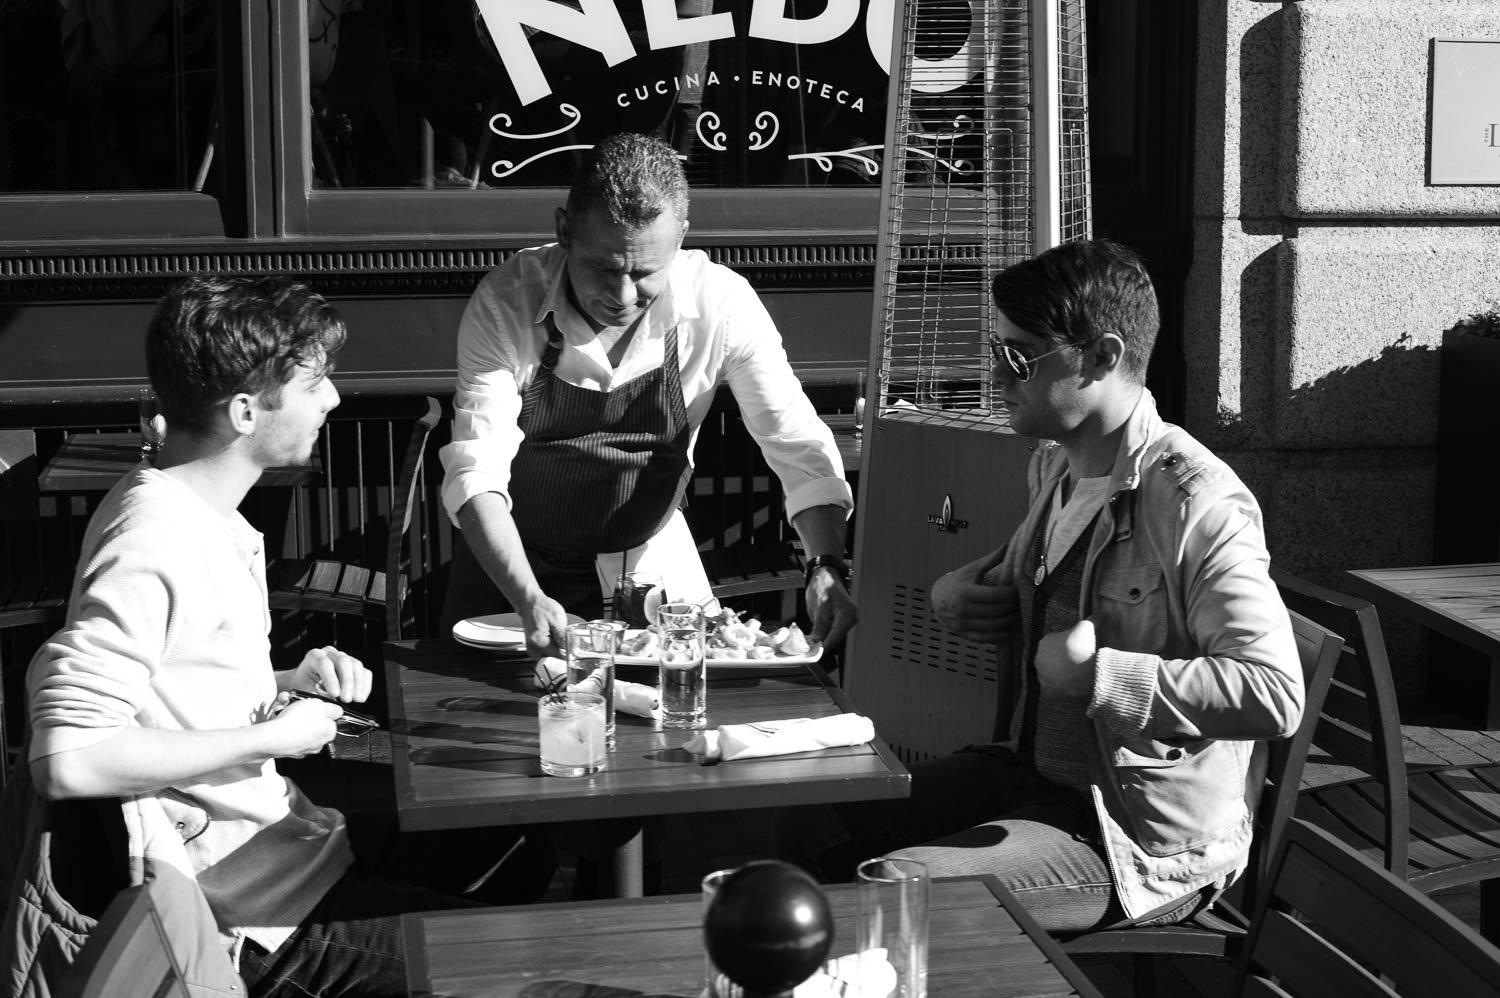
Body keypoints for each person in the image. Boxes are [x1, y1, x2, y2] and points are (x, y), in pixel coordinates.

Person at [773, 239, 1305, 933]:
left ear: (1103, 357)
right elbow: (1047, 573)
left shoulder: (1198, 502)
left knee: (899, 888)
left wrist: (1103, 678)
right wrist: (956, 591)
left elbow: (1274, 693)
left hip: (1125, 835)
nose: (997, 373)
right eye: (998, 349)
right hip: (1023, 777)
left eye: (1020, 357)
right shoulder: (1054, 467)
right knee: (808, 814)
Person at [22, 276, 490, 998]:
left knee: (504, 838)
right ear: (244, 411)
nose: (333, 399)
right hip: (259, 927)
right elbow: (68, 757)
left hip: (295, 858)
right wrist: (271, 738)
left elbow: (163, 684)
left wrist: (279, 683)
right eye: (314, 383)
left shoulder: (191, 508)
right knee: (520, 959)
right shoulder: (155, 536)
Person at [439, 131, 856, 657]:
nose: (622, 295)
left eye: (642, 273)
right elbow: (475, 468)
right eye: (604, 268)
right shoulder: (505, 304)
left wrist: (824, 564)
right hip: (512, 577)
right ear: (564, 229)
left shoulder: (721, 305)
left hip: (650, 578)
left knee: (682, 727)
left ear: (681, 236)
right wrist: (528, 597)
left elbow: (796, 446)